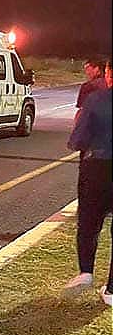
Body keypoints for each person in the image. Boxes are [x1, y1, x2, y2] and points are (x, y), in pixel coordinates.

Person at [63, 59, 112, 306]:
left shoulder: (96, 100)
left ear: (108, 73)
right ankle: (112, 289)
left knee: (88, 222)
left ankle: (86, 271)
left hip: (96, 168)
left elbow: (77, 140)